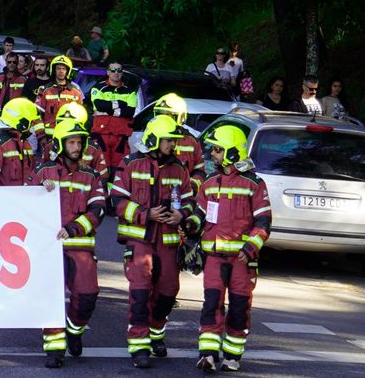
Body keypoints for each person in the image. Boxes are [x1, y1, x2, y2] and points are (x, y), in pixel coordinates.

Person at [111, 115, 194, 369]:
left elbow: (190, 200)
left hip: (168, 243)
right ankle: (138, 347)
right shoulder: (130, 164)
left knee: (168, 293)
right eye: (169, 140)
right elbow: (117, 201)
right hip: (139, 241)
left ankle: (156, 331)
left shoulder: (178, 168)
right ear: (155, 140)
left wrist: (183, 214)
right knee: (139, 293)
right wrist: (146, 214)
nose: (173, 145)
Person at [191, 126, 272, 373]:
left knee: (239, 307)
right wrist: (188, 225)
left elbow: (264, 222)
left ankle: (232, 356)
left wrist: (249, 248)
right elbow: (200, 215)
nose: (212, 154)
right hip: (214, 257)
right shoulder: (209, 182)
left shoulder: (254, 184)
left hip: (242, 260)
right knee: (211, 304)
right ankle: (207, 354)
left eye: (217, 149)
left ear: (231, 152)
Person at [32, 118, 106, 368]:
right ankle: (54, 349)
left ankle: (74, 330)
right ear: (61, 145)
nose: (76, 146)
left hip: (81, 245)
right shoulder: (44, 172)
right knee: (51, 297)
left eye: (79, 142)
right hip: (50, 247)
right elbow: (24, 202)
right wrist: (39, 189)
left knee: (87, 296)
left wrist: (73, 229)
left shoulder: (91, 176)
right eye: (71, 142)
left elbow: (98, 211)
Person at [88, 62, 137, 185]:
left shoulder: (129, 90)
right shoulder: (98, 88)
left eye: (119, 70)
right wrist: (120, 104)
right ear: (108, 72)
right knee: (101, 168)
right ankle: (101, 196)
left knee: (120, 169)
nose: (116, 73)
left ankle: (116, 195)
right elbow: (99, 105)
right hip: (101, 134)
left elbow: (130, 111)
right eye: (113, 70)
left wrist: (109, 109)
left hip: (120, 136)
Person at [0, 98, 39, 187]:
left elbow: (33, 176)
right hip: (5, 200)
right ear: (23, 123)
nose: (32, 125)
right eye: (31, 122)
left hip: (25, 198)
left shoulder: (26, 144)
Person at [34, 56, 84, 147]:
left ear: (68, 71)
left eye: (63, 69)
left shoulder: (76, 92)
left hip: (69, 136)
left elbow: (81, 116)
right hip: (49, 138)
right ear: (54, 70)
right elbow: (36, 115)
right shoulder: (45, 90)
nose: (61, 71)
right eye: (58, 68)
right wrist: (41, 136)